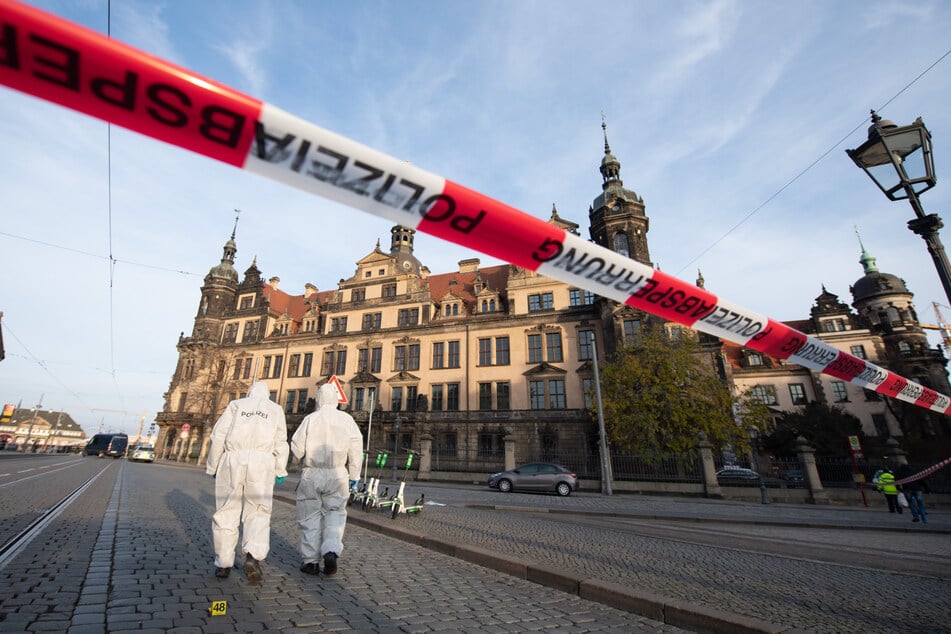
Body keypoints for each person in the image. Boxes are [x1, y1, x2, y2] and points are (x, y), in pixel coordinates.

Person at [205, 381, 289, 583]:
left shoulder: (236, 405)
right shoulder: (275, 409)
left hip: (233, 458)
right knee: (258, 511)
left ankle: (223, 563)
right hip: (262, 462)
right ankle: (253, 556)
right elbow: (281, 442)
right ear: (268, 395)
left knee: (226, 510)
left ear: (250, 392)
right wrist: (280, 468)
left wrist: (213, 465)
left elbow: (218, 436)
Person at [291, 383, 363, 576]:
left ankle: (311, 562)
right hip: (338, 473)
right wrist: (354, 476)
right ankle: (331, 550)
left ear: (319, 399)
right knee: (335, 514)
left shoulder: (310, 419)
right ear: (337, 399)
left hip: (312, 473)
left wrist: (299, 456)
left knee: (310, 516)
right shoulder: (347, 420)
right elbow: (356, 451)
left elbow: (297, 448)